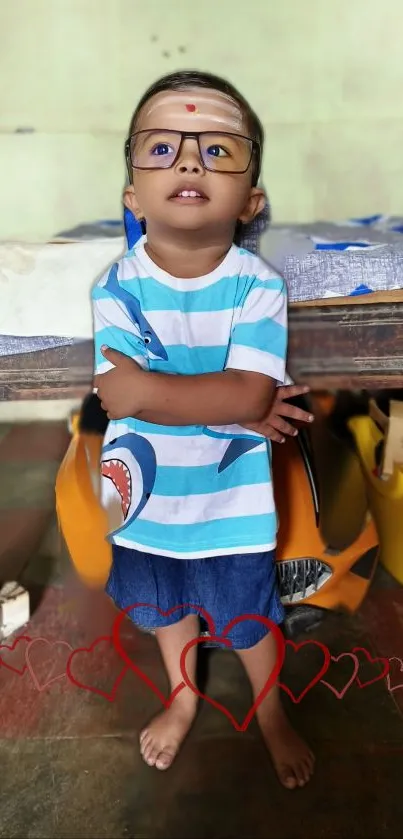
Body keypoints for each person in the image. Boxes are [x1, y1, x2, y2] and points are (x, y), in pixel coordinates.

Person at [92, 70, 315, 788]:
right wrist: (234, 401)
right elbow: (124, 394)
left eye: (218, 149)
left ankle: (270, 710)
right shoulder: (113, 286)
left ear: (250, 201)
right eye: (162, 147)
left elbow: (238, 392)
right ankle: (183, 697)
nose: (188, 160)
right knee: (165, 611)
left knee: (248, 620)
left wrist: (167, 393)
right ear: (132, 194)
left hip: (231, 511)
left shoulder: (257, 284)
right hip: (143, 510)